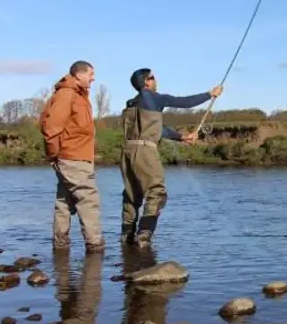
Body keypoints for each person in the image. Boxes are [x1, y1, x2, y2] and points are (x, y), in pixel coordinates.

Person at [119, 67, 223, 247]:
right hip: (145, 151)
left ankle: (126, 238)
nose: (156, 79)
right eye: (152, 77)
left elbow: (158, 128)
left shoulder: (131, 103)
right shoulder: (153, 97)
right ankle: (144, 236)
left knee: (131, 195)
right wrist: (210, 94)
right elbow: (184, 102)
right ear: (146, 82)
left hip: (127, 152)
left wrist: (182, 137)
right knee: (157, 192)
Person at [39, 60, 105, 254]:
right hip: (72, 157)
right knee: (88, 199)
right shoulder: (67, 94)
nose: (93, 78)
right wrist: (54, 155)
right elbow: (51, 128)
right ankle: (95, 247)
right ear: (79, 75)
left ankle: (60, 248)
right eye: (91, 74)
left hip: (76, 157)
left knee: (64, 200)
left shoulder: (77, 95)